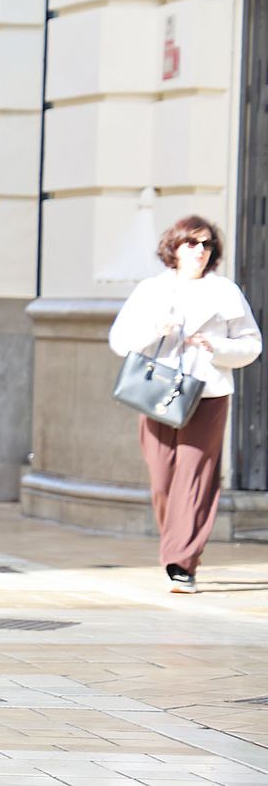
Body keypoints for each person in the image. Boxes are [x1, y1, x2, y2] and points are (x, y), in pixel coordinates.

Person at [109, 215, 261, 594]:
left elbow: (251, 344)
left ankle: (182, 562)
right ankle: (176, 543)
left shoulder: (225, 291)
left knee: (195, 477)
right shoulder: (151, 290)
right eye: (191, 243)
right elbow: (119, 340)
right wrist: (155, 331)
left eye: (207, 244)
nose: (200, 251)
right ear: (174, 247)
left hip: (208, 393)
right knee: (162, 479)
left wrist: (217, 348)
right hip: (156, 392)